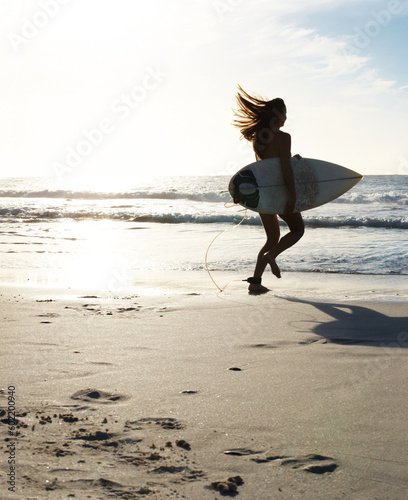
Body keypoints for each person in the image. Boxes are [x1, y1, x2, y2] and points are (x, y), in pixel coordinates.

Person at [233, 86, 304, 294]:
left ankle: (255, 282)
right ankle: (272, 256)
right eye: (285, 113)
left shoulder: (257, 138)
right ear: (278, 114)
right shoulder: (284, 137)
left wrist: (290, 159)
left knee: (272, 238)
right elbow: (284, 169)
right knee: (298, 230)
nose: (286, 118)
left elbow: (267, 165)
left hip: (263, 194)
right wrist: (292, 195)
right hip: (279, 193)